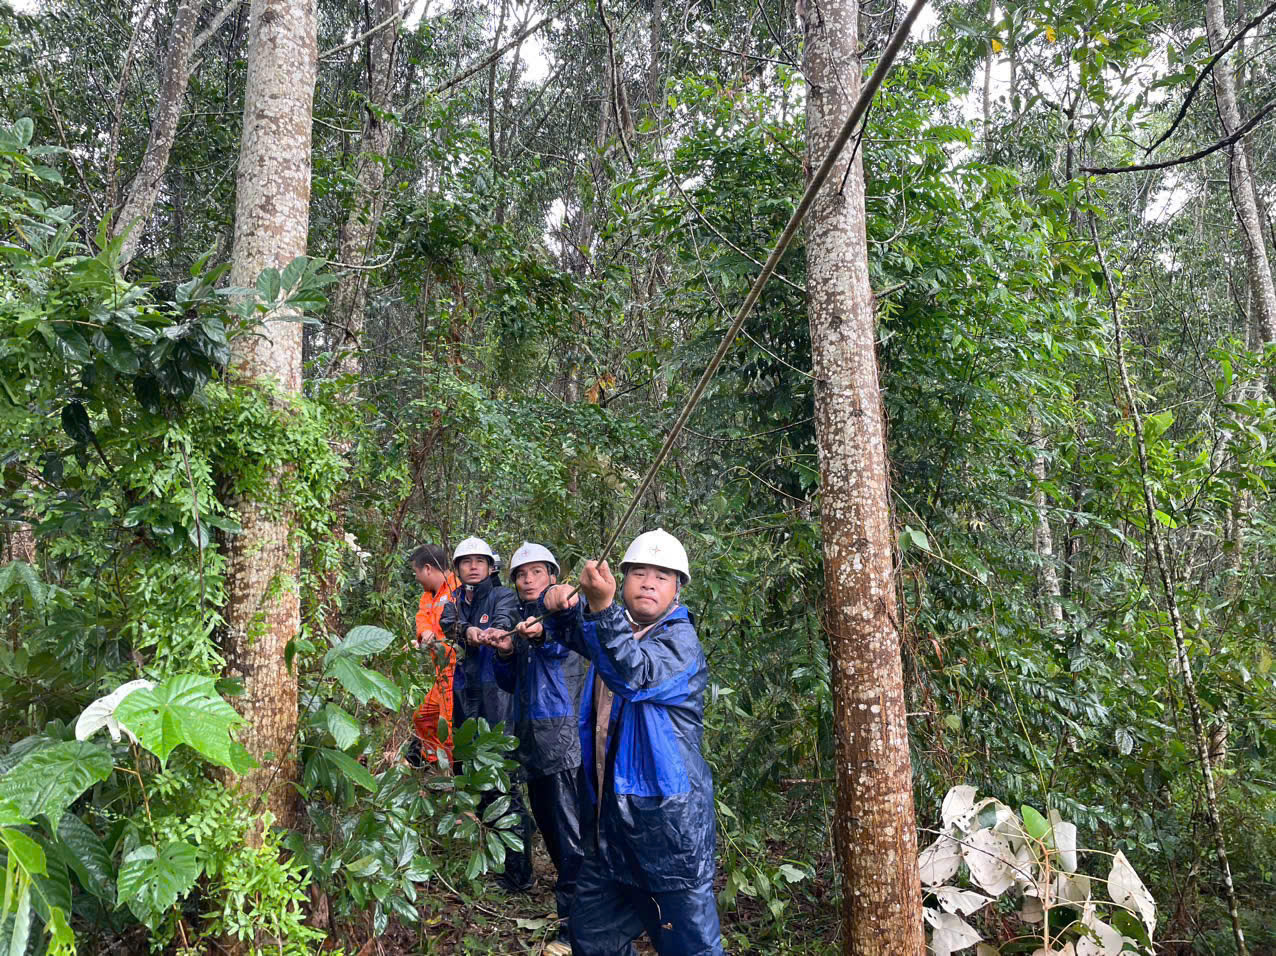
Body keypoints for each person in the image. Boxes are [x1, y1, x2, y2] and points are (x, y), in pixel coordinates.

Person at [529, 529, 724, 956]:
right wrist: (559, 607)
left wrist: (599, 609)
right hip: (608, 832)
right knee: (593, 939)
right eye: (639, 572)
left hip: (666, 834)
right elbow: (581, 635)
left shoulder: (680, 643)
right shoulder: (614, 630)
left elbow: (633, 674)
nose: (649, 582)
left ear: (676, 591)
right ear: (624, 579)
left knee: (691, 948)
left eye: (662, 576)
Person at [485, 543, 589, 923]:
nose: (529, 580)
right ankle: (576, 917)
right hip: (533, 739)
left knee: (569, 837)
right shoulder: (522, 616)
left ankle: (577, 922)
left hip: (561, 739)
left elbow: (563, 649)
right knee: (550, 828)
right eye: (522, 575)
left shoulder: (562, 615)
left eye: (537, 573)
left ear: (552, 576)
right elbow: (512, 683)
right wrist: (507, 652)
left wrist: (541, 635)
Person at [439, 536, 535, 893]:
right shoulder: (455, 601)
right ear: (458, 568)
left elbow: (504, 619)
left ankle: (518, 873)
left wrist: (491, 632)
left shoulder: (502, 596)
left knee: (502, 781)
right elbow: (449, 625)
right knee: (470, 776)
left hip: (497, 698)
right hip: (465, 696)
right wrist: (467, 630)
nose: (474, 567)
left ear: (491, 567)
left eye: (481, 561)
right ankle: (489, 858)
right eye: (467, 562)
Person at [407, 545, 459, 767]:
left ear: (427, 569)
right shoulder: (428, 597)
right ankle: (431, 761)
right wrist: (423, 634)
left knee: (447, 726)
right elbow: (423, 618)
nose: (417, 578)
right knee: (422, 717)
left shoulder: (458, 589)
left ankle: (449, 777)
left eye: (416, 572)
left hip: (456, 670)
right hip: (441, 672)